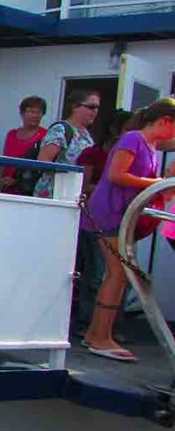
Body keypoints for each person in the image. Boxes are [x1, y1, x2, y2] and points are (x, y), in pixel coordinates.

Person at [80, 97, 175, 362]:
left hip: (120, 215)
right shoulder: (133, 139)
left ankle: (97, 333)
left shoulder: (151, 146)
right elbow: (116, 175)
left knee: (119, 275)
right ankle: (99, 336)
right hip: (109, 212)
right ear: (165, 121)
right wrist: (156, 182)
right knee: (116, 274)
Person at [72, 109, 132, 330]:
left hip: (124, 220)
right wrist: (107, 189)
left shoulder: (130, 154)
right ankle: (88, 322)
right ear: (114, 129)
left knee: (122, 274)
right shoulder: (93, 154)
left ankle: (112, 326)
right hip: (95, 218)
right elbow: (83, 186)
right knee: (96, 273)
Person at [32, 89, 99, 199]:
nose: (95, 111)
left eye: (97, 107)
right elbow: (43, 160)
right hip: (53, 191)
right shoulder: (60, 130)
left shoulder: (87, 135)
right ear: (75, 107)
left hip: (73, 192)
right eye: (91, 106)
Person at [0, 96, 48, 194]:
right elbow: (4, 159)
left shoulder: (45, 135)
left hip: (28, 188)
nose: (35, 115)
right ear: (22, 113)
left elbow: (41, 167)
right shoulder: (11, 134)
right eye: (31, 111)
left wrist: (16, 181)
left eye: (39, 112)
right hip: (5, 188)